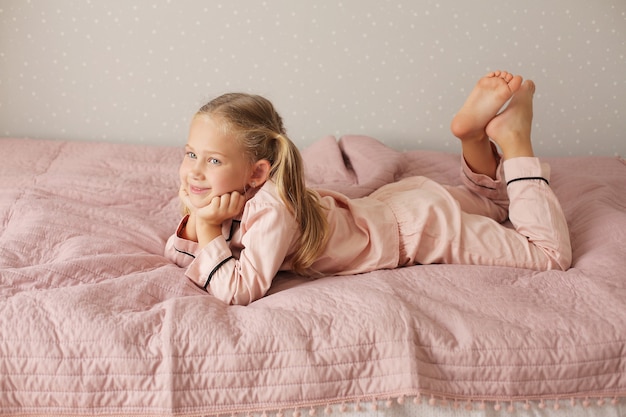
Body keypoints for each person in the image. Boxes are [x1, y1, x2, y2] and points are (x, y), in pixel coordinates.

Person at [165, 71, 572, 305]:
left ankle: (515, 140)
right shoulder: (238, 197)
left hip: (421, 230)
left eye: (213, 160)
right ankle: (473, 139)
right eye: (190, 154)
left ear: (256, 173)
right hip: (399, 205)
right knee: (493, 202)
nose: (194, 171)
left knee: (549, 255)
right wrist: (202, 222)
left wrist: (206, 228)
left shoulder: (272, 208)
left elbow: (240, 289)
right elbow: (179, 252)